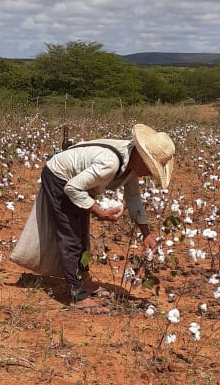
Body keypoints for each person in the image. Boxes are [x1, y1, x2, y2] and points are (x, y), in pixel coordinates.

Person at [10, 123, 175, 311]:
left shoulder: (131, 164)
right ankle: (76, 295)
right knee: (71, 235)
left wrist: (146, 234)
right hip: (60, 177)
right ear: (141, 156)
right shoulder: (110, 163)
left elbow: (133, 198)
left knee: (81, 234)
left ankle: (84, 281)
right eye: (150, 167)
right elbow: (71, 188)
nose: (149, 173)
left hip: (77, 182)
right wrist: (98, 212)